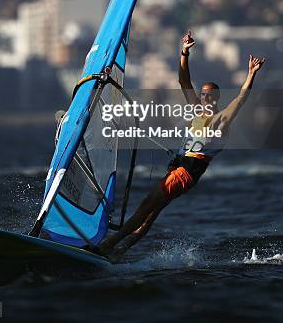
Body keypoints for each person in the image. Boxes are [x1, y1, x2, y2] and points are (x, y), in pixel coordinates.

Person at [98, 31, 265, 260]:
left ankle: (108, 245)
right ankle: (119, 252)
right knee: (150, 215)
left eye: (208, 95)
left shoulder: (221, 120)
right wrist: (185, 52)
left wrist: (250, 74)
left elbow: (241, 99)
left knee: (146, 205)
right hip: (178, 169)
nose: (203, 97)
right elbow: (183, 80)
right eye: (202, 94)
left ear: (215, 97)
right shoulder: (196, 110)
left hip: (185, 173)